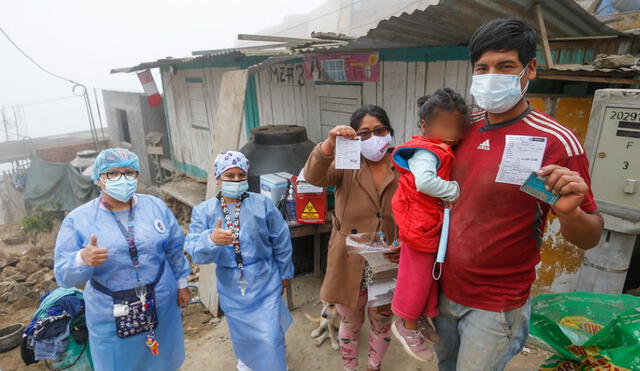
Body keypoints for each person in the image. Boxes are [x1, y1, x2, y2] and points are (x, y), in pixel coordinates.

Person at [434, 19, 604, 371]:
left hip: (496, 304)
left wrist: (570, 213)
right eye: (482, 68)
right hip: (442, 288)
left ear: (530, 70)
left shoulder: (557, 141)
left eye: (505, 66)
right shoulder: (462, 126)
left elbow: (589, 237)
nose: (491, 75)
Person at [54, 148, 191, 371]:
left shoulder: (154, 207)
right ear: (99, 179)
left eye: (129, 172)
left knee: (163, 357)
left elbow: (174, 248)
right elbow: (63, 275)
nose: (123, 179)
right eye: (113, 174)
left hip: (161, 301)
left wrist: (182, 284)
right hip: (110, 312)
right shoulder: (78, 220)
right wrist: (81, 258)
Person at [303, 104, 400, 371]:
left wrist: (406, 244)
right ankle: (350, 367)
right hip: (350, 260)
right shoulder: (346, 162)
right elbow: (313, 176)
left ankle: (374, 366)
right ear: (355, 137)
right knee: (350, 322)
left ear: (390, 132)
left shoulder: (404, 163)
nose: (372, 138)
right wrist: (328, 145)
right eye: (364, 133)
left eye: (379, 130)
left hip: (388, 259)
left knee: (382, 323)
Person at [185, 151, 293, 371]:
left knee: (270, 334)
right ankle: (247, 364)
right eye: (230, 176)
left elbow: (281, 240)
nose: (236, 180)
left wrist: (285, 273)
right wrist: (211, 240)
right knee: (243, 334)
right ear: (218, 179)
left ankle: (276, 364)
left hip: (265, 279)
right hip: (231, 285)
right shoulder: (203, 212)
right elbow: (194, 250)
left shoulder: (262, 204)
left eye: (240, 176)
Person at [389, 89, 467, 362]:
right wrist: (454, 190)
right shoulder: (426, 152)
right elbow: (425, 183)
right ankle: (406, 325)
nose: (452, 132)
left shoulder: (441, 148)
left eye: (457, 126)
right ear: (425, 125)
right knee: (417, 279)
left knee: (429, 279)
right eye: (445, 126)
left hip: (428, 225)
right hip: (419, 227)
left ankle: (419, 319)